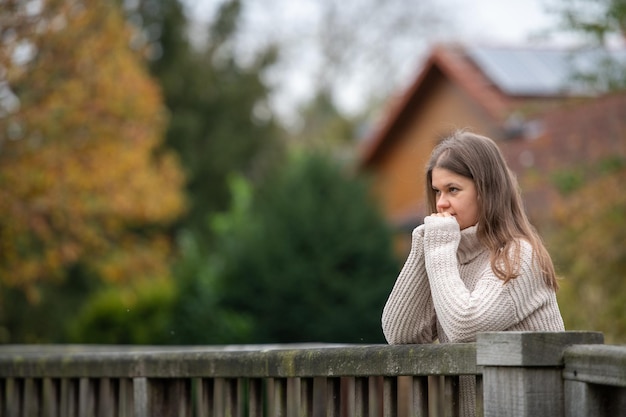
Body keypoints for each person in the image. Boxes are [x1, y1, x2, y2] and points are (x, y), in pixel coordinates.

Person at [381, 130, 564, 417]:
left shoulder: (517, 255)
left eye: (453, 190)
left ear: (487, 190)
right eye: (436, 191)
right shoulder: (449, 256)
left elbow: (465, 325)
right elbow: (399, 333)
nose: (440, 203)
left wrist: (438, 249)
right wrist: (422, 245)